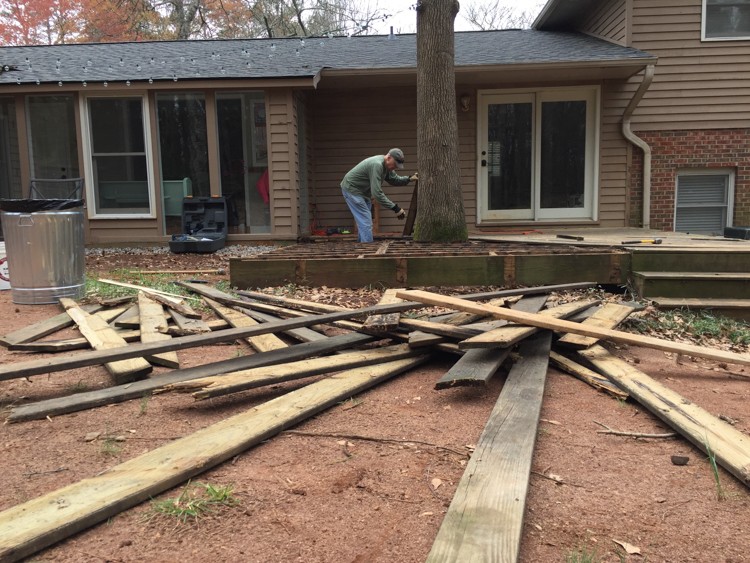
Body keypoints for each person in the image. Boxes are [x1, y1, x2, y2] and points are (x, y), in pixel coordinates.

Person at [340, 148, 418, 243]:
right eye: (395, 165)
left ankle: (362, 245)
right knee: (366, 221)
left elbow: (394, 179)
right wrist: (395, 208)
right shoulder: (377, 165)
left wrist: (409, 179)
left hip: (363, 193)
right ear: (389, 157)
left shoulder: (386, 166)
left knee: (364, 221)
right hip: (352, 190)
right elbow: (377, 193)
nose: (395, 167)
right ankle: (367, 250)